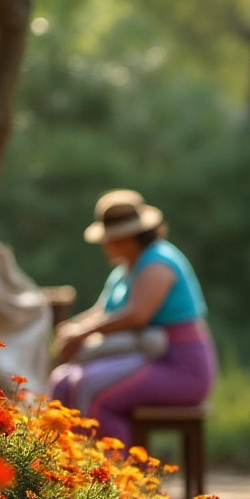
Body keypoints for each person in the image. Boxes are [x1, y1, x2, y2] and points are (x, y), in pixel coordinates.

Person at [49, 190, 217, 446]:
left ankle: (116, 476)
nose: (105, 245)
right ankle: (64, 469)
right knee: (62, 381)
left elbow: (138, 315)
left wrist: (81, 334)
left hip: (178, 365)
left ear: (125, 237)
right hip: (143, 358)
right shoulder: (125, 269)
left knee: (94, 391)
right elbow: (102, 312)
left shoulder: (158, 263)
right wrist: (71, 329)